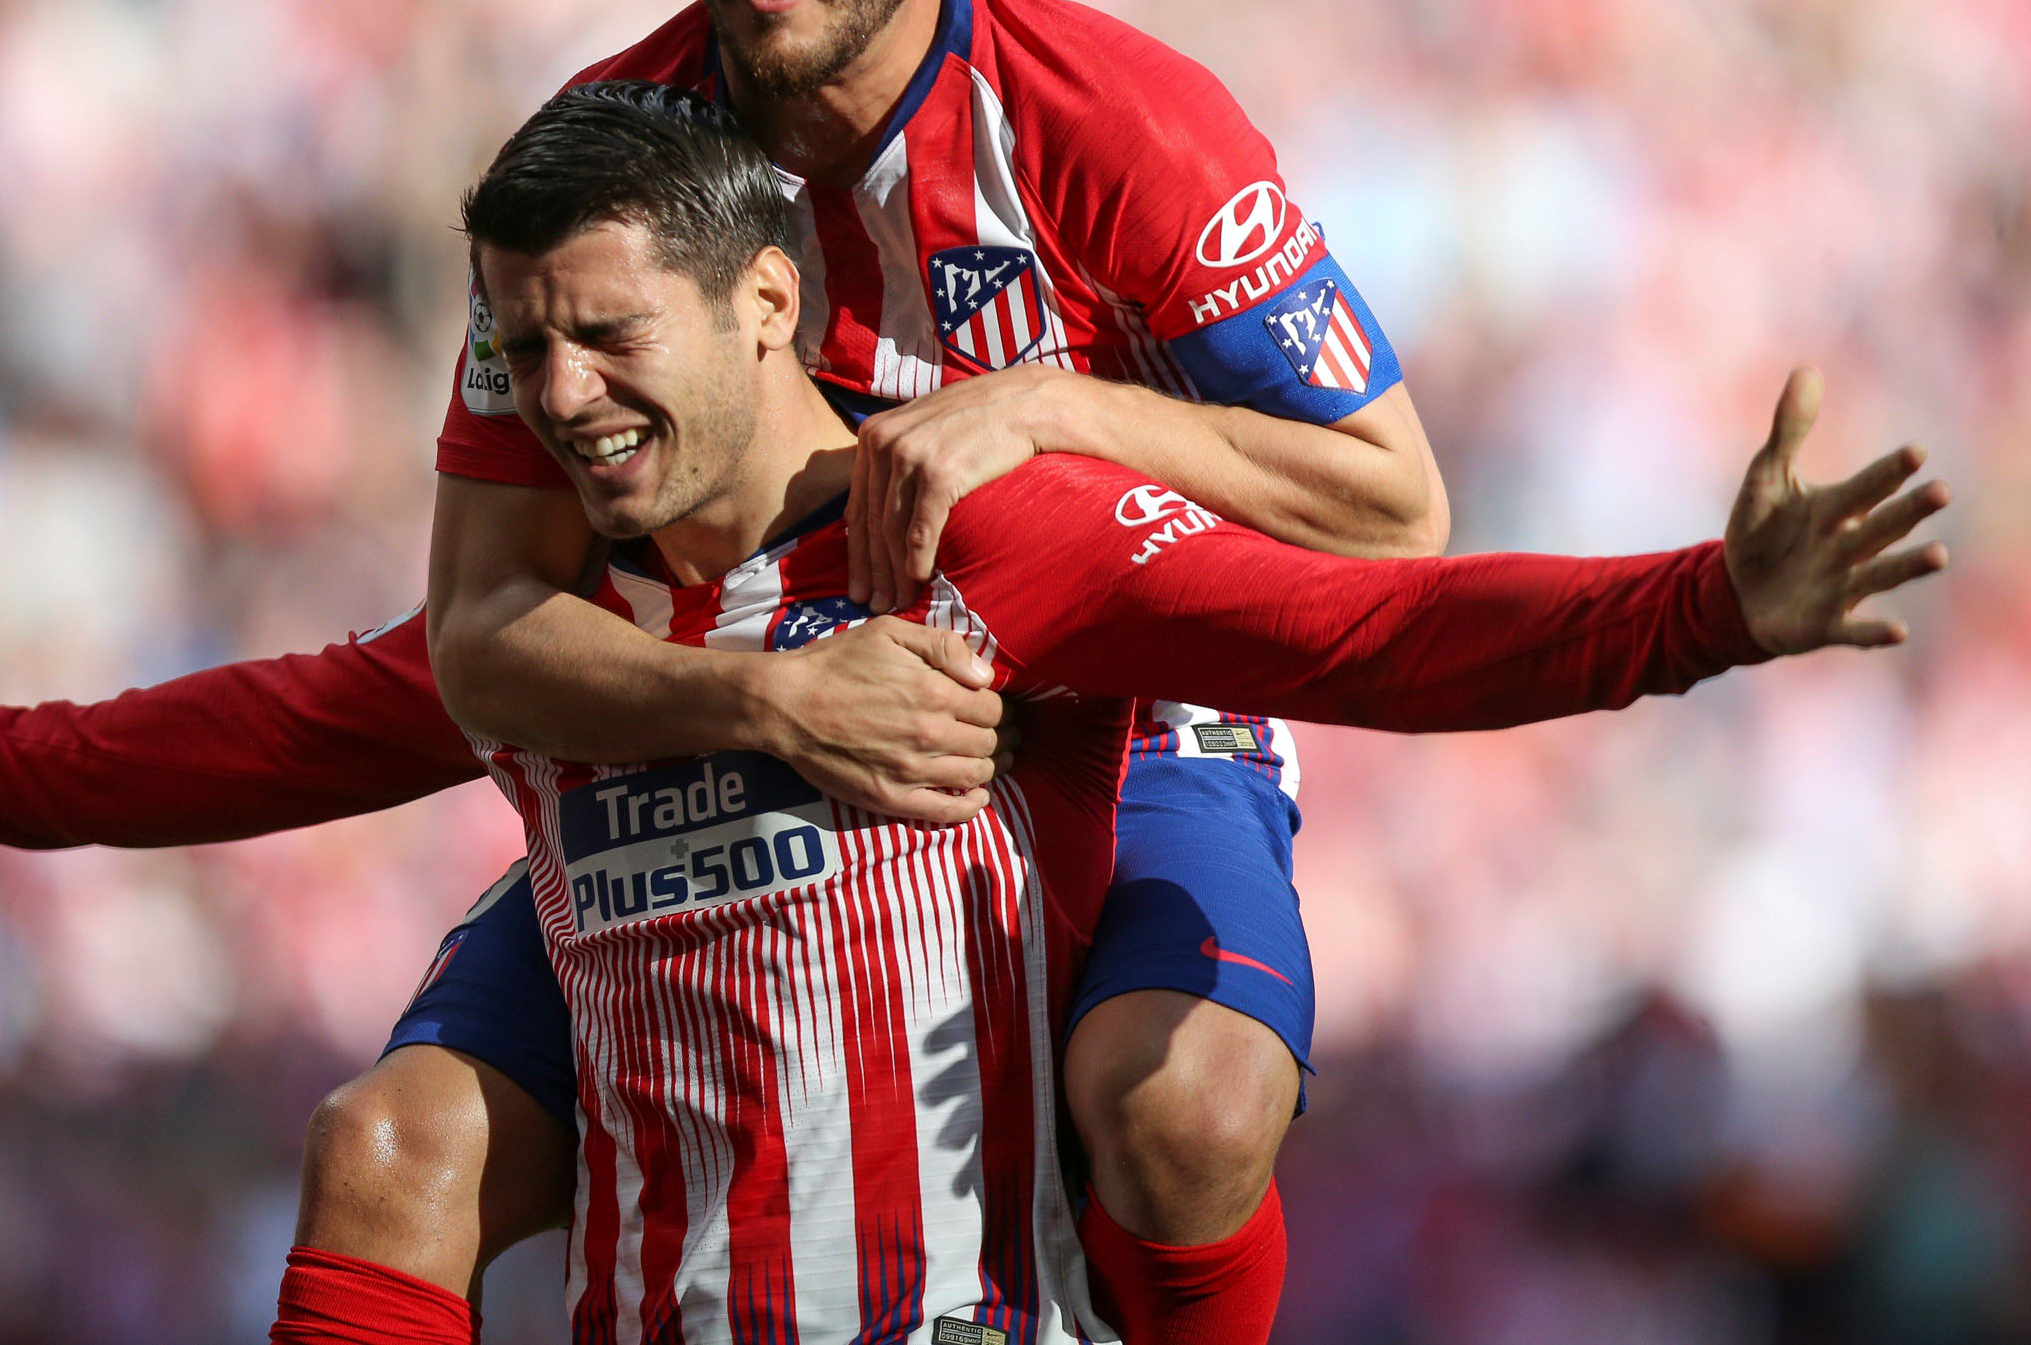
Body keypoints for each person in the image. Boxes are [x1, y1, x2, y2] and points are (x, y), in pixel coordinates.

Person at [0, 0, 1584, 1335]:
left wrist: (1059, 409)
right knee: (385, 1151)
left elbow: (1390, 505)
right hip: (725, 720)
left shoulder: (1110, 123)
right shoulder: (603, 169)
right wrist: (774, 705)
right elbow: (477, 640)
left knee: (1178, 1105)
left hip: (1099, 697)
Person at [301, 81, 1945, 1342]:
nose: (566, 392)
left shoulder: (986, 518)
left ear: (768, 306)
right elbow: (261, 727)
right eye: (530, 352)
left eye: (604, 333)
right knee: (379, 1142)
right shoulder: (541, 645)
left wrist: (1703, 607)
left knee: (1190, 1103)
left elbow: (1372, 618)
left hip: (971, 1288)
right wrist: (25, 779)